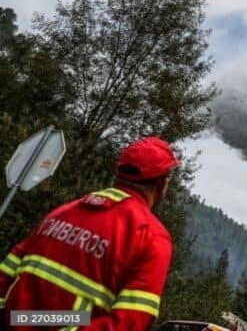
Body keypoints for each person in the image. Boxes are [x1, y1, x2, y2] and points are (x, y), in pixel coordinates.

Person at [0, 136, 180, 330]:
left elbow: (6, 274)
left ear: (118, 174)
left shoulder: (61, 213)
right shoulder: (151, 237)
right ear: (162, 185)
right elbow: (128, 322)